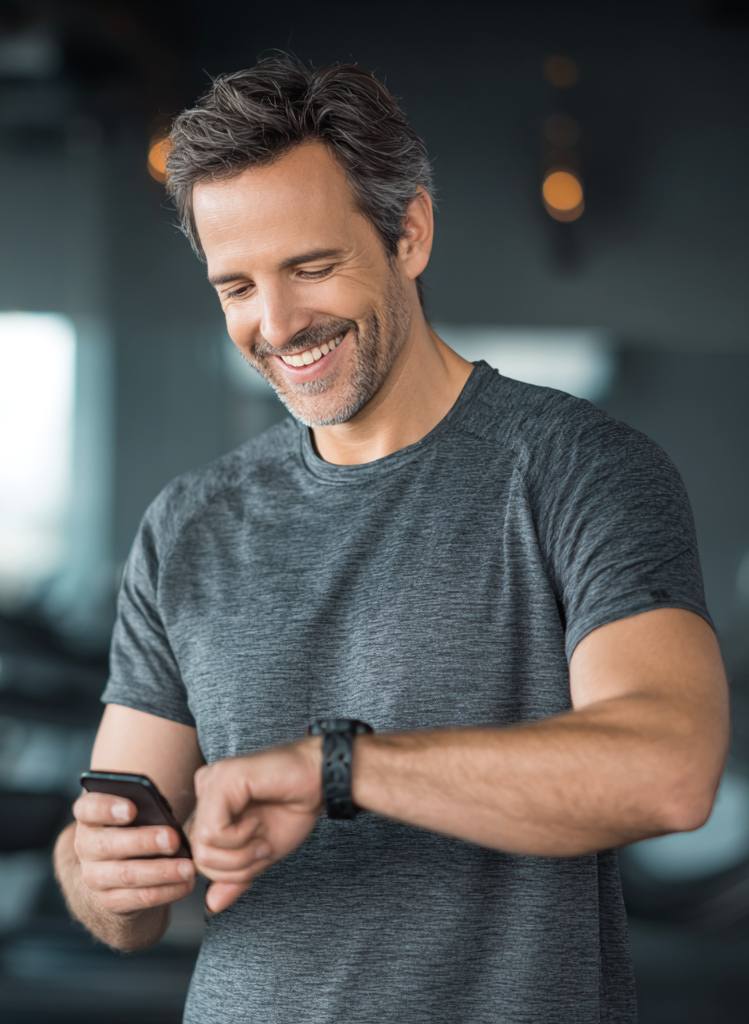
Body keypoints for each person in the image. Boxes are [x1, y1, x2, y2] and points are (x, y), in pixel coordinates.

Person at [54, 55, 729, 1023]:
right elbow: (120, 887)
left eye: (311, 268)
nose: (277, 324)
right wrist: (101, 867)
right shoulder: (189, 524)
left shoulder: (578, 470)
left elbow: (668, 769)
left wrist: (338, 770)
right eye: (236, 286)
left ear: (409, 232)